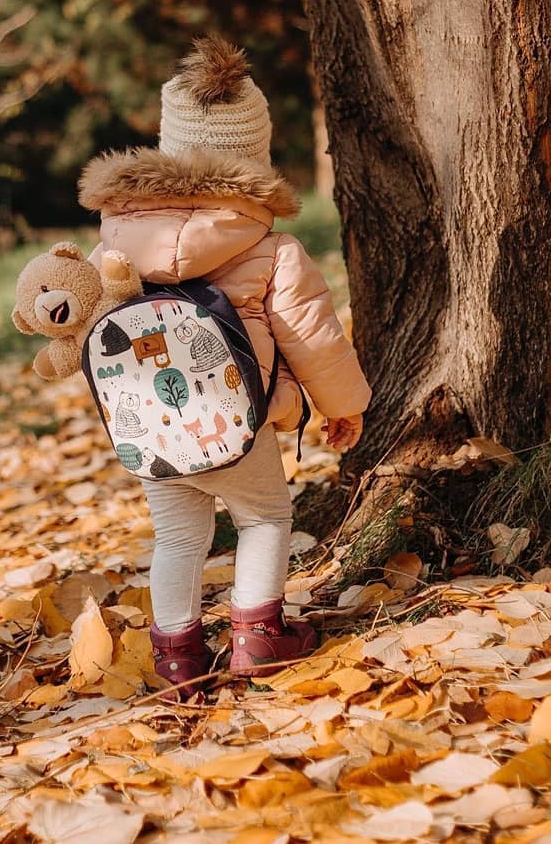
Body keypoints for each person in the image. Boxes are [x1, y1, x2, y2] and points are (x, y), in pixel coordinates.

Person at [78, 37, 372, 691]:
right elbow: (313, 336)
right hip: (239, 423)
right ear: (254, 157)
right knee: (263, 516)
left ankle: (177, 654)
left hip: (151, 427)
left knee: (177, 539)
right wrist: (343, 405)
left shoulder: (117, 244)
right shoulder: (271, 245)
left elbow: (95, 326)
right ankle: (260, 635)